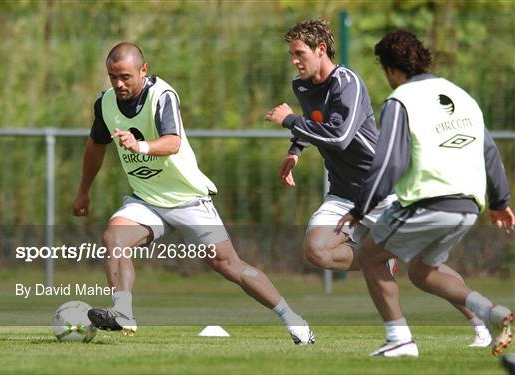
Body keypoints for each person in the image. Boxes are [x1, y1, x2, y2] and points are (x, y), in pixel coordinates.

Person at [266, 19, 491, 347]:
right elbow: (315, 122)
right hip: (343, 191)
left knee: (424, 267)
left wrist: (288, 120)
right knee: (316, 250)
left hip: (381, 188)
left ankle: (479, 321)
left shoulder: (348, 83)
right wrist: (296, 150)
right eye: (291, 55)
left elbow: (340, 136)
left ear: (321, 50)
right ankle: (381, 258)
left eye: (299, 53)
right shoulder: (301, 86)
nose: (294, 60)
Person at [71, 42, 315, 344]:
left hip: (188, 199)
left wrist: (140, 146)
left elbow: (172, 142)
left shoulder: (162, 95)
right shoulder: (105, 103)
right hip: (147, 200)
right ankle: (123, 312)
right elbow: (96, 145)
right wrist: (83, 190)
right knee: (114, 237)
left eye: (125, 76)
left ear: (143, 70)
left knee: (228, 265)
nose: (118, 83)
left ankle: (292, 319)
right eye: (112, 77)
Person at [337, 30, 514, 357]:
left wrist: (360, 209)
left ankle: (399, 339)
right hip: (467, 207)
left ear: (391, 69)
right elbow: (489, 151)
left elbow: (389, 163)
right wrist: (500, 203)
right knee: (422, 271)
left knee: (370, 255)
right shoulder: (462, 96)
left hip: (427, 200)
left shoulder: (401, 99)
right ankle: (492, 313)